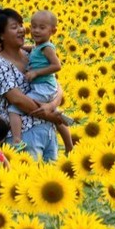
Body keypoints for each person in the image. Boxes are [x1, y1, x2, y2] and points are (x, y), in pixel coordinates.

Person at [0, 8, 68, 162]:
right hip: (24, 137)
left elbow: (56, 84)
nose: (22, 30)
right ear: (1, 35)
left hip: (48, 130)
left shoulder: (32, 54)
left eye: (21, 25)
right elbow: (17, 99)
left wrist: (52, 106)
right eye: (14, 27)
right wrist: (51, 116)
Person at [23, 10, 74, 154]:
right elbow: (32, 49)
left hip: (43, 85)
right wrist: (21, 47)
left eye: (41, 27)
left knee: (21, 106)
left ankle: (16, 140)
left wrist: (36, 72)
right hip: (45, 85)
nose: (36, 30)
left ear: (53, 31)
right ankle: (69, 145)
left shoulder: (47, 48)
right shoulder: (38, 46)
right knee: (55, 115)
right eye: (33, 26)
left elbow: (57, 66)